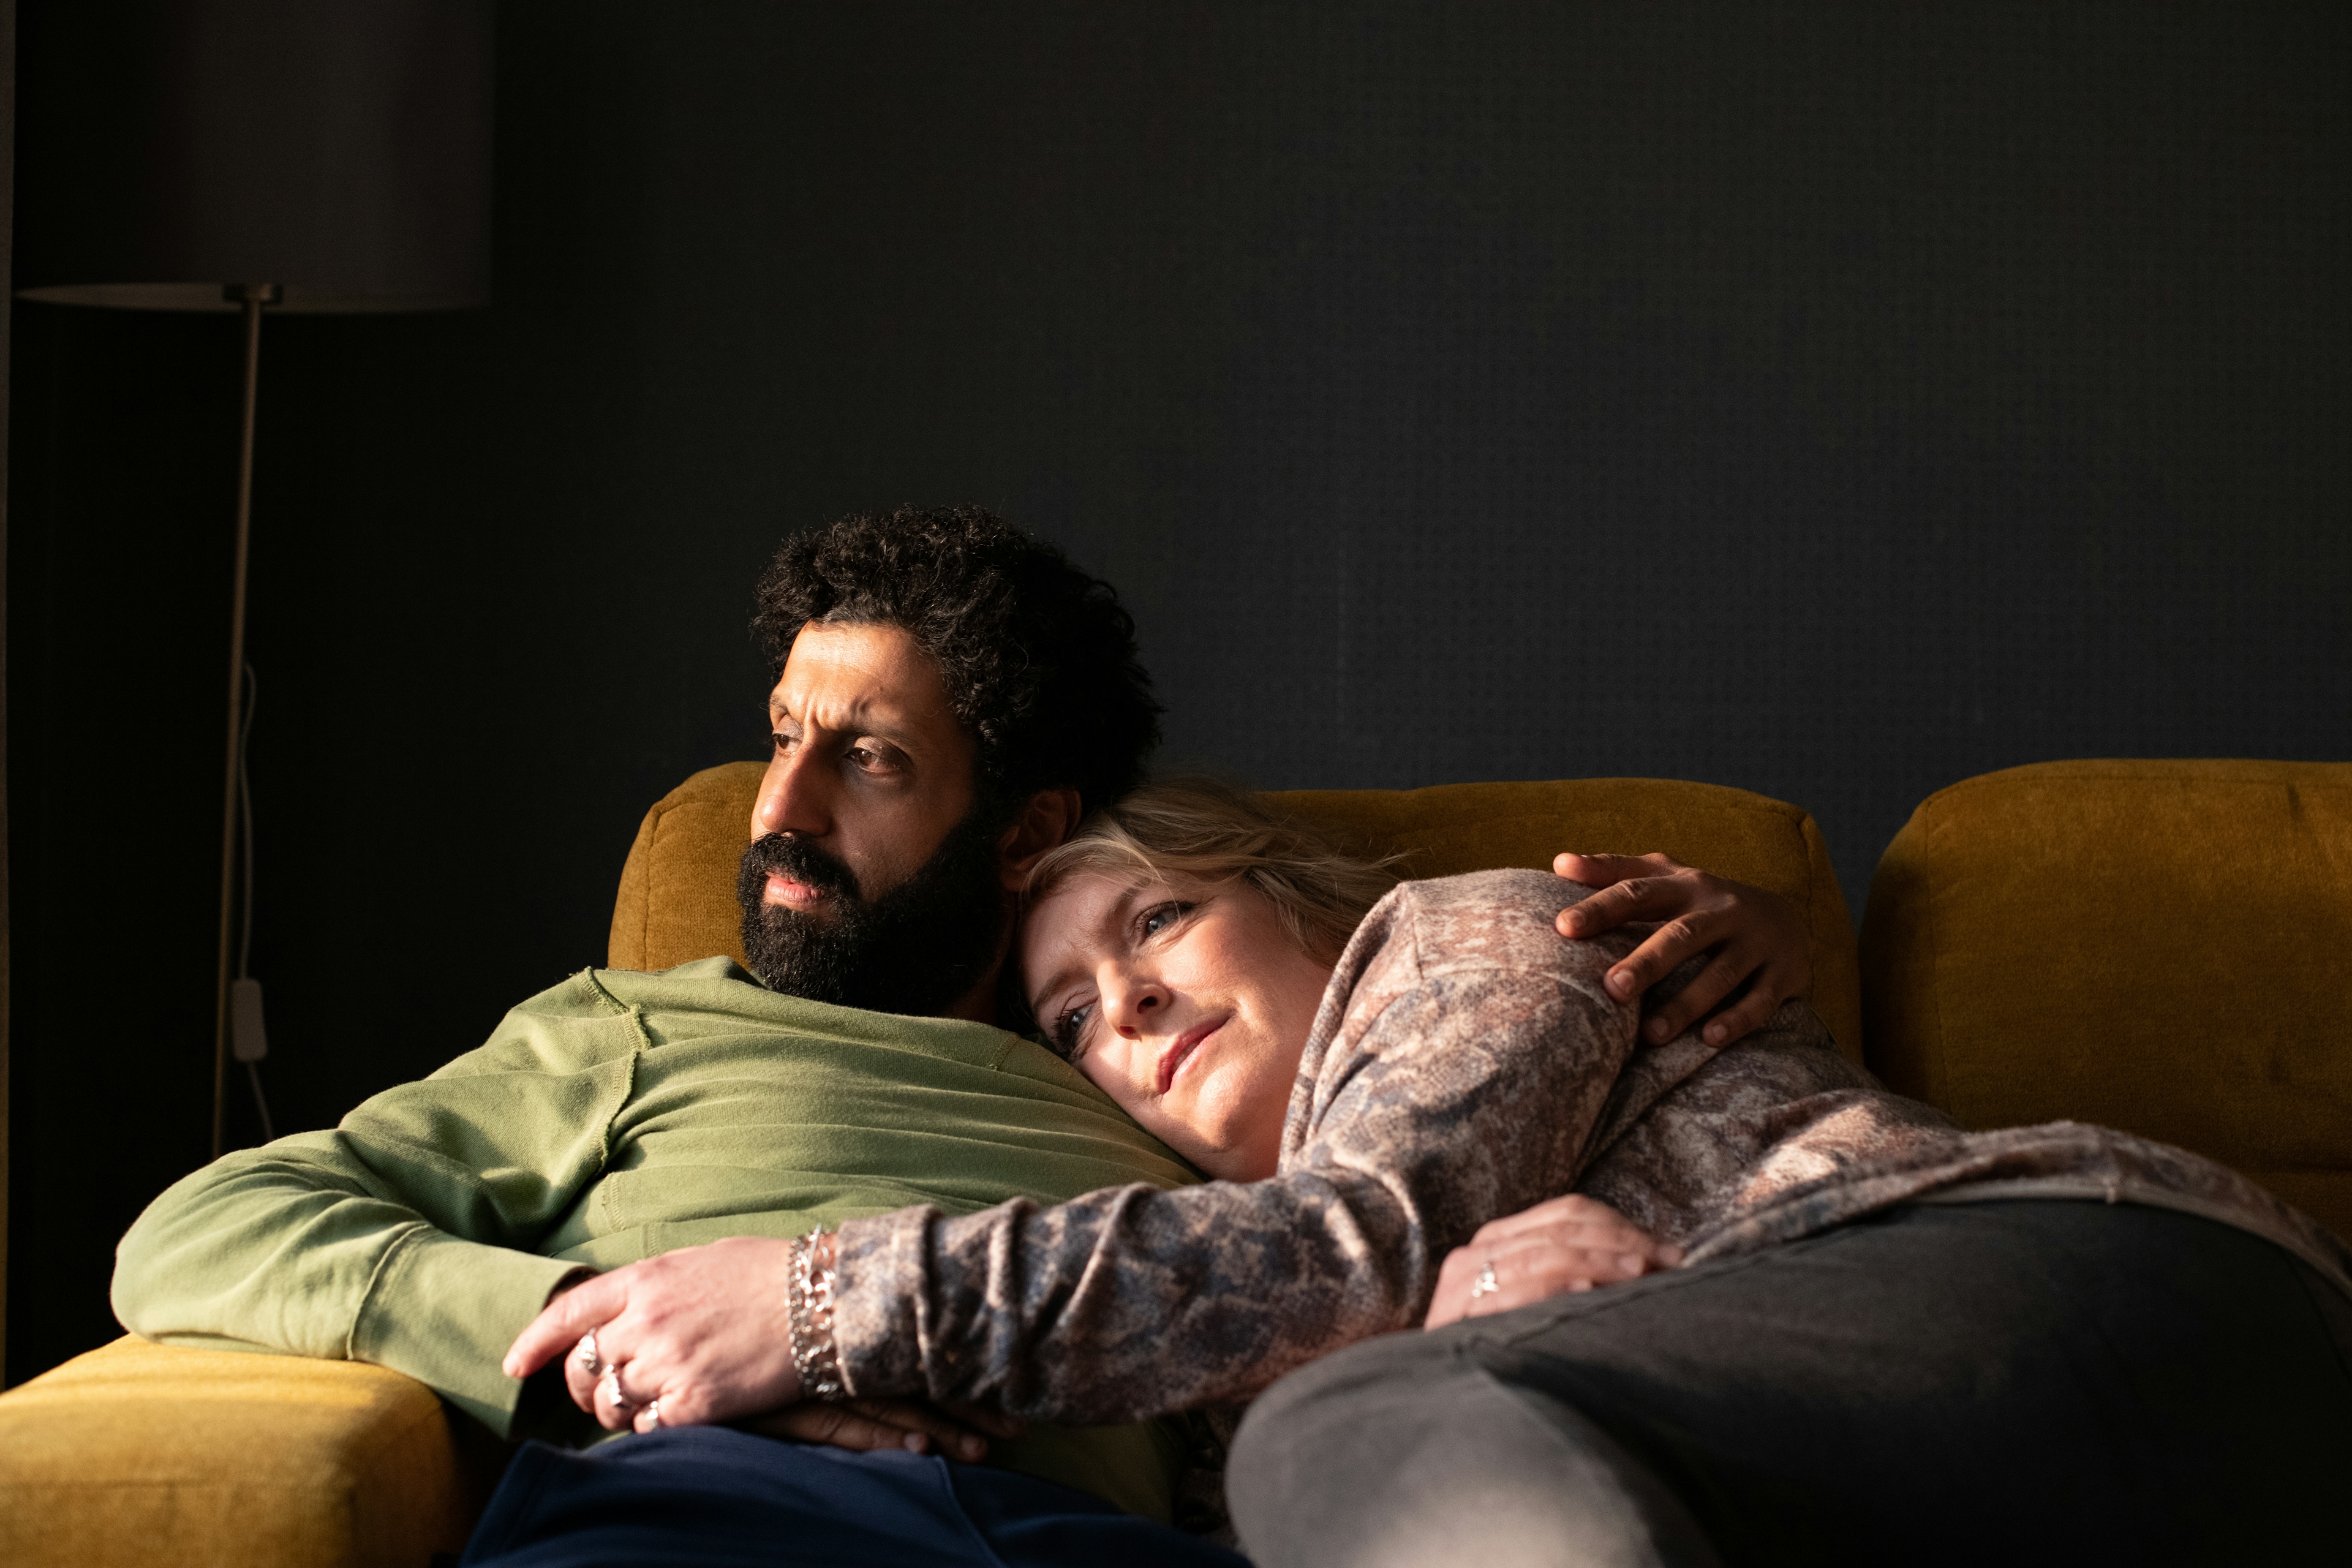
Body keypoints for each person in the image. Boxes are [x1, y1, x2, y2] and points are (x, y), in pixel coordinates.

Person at [111, 507, 1818, 1565]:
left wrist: (1749, 928)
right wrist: (591, 1350)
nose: (777, 810)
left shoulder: (1178, 1067)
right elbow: (200, 1229)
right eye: (781, 737)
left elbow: (1420, 1141)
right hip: (709, 1520)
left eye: (866, 759)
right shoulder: (633, 1029)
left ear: (1026, 833)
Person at [513, 776, 2352, 1567]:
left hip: (2087, 1291)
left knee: (1351, 1433)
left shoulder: (1482, 936)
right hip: (1884, 1487)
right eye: (1072, 1021)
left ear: (1291, 903)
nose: (1127, 1005)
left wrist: (819, 1300)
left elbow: (1355, 1235)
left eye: (1156, 922)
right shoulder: (1222, 1367)